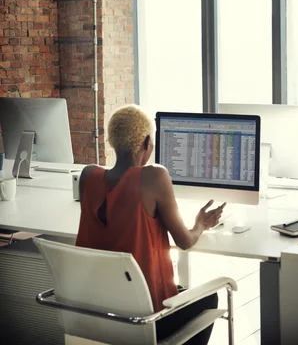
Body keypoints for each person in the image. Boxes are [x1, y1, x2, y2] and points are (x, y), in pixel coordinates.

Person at [75, 104, 225, 344]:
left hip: (100, 312)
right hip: (147, 317)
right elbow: (184, 241)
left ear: (112, 141)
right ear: (146, 143)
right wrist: (200, 224)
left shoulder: (87, 176)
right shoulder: (154, 176)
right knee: (209, 299)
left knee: (181, 289)